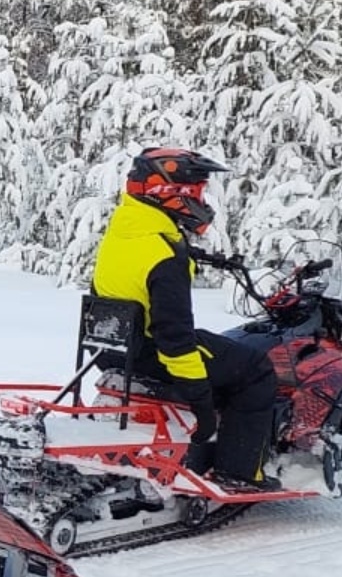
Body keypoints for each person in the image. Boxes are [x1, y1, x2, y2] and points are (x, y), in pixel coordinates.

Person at [90, 146, 277, 487]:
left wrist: (193, 254)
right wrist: (201, 402)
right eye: (199, 191)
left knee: (219, 350)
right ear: (174, 193)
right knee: (256, 369)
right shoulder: (164, 255)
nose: (203, 200)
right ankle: (238, 470)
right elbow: (175, 340)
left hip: (113, 350)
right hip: (154, 355)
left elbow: (140, 271)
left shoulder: (125, 231)